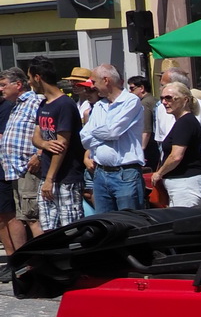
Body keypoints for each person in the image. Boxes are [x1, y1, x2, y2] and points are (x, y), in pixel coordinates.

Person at [79, 65, 148, 214]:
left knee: (130, 223)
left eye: (94, 82)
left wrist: (96, 133)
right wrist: (103, 134)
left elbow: (113, 131)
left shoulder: (131, 101)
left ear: (106, 80)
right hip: (100, 173)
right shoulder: (98, 106)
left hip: (125, 174)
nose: (93, 86)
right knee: (105, 225)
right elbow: (84, 138)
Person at [27, 57, 84, 231]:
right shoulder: (44, 104)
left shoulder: (65, 105)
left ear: (38, 77)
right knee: (49, 229)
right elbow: (36, 137)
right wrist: (44, 145)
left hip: (66, 177)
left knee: (70, 228)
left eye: (30, 77)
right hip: (47, 175)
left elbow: (62, 145)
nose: (29, 82)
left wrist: (50, 179)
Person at [1, 66, 43, 266]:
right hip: (15, 170)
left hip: (29, 168)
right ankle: (24, 264)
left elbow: (48, 130)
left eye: (3, 85)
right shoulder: (17, 105)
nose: (1, 89)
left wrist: (39, 154)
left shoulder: (34, 101)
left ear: (18, 85)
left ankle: (40, 264)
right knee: (24, 217)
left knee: (33, 218)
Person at [148, 82, 201, 206]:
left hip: (186, 185)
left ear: (185, 100)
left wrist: (159, 173)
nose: (164, 102)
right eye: (162, 98)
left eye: (169, 98)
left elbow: (176, 156)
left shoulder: (185, 123)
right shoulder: (182, 122)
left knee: (186, 223)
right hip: (181, 185)